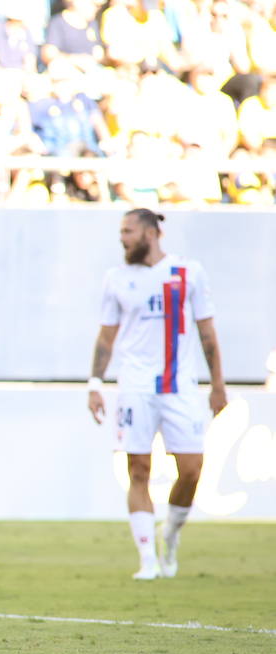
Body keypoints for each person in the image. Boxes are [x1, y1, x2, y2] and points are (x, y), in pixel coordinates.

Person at [87, 209, 227, 580]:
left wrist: (218, 385)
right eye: (122, 232)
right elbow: (106, 337)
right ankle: (148, 559)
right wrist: (95, 384)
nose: (123, 238)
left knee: (192, 469)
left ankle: (172, 532)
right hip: (134, 385)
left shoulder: (187, 272)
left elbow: (207, 332)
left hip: (180, 386)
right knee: (138, 469)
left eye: (128, 231)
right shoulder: (116, 279)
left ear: (152, 232)